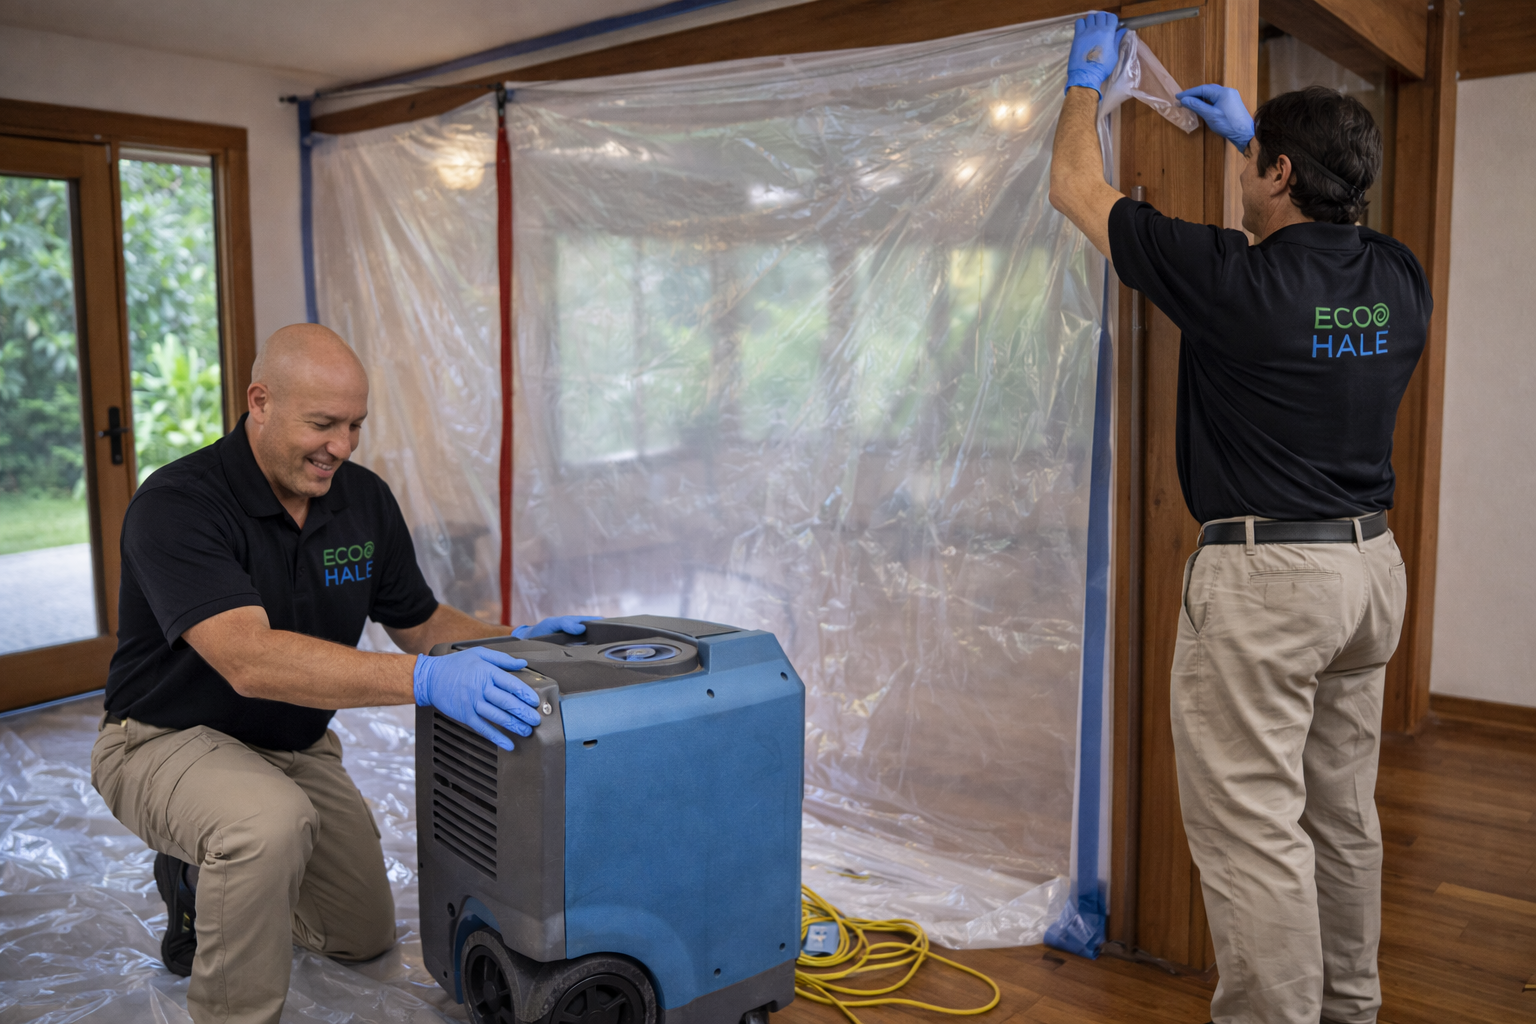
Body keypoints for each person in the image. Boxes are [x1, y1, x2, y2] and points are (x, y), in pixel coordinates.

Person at [1048, 13, 1428, 1024]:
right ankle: (1349, 1009)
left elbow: (1075, 188)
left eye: (1258, 161)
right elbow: (1332, 241)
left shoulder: (1236, 280)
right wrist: (1256, 137)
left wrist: (1083, 85)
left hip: (1271, 589)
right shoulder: (1399, 278)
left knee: (1254, 831)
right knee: (1340, 815)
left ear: (1279, 174)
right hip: (1369, 575)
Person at [91, 323, 591, 1024]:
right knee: (266, 826)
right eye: (322, 424)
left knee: (361, 934)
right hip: (164, 736)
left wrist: (520, 642)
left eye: (355, 425)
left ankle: (208, 883)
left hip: (291, 744)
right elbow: (248, 659)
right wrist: (422, 682)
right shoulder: (178, 504)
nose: (342, 446)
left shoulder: (362, 499)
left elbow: (419, 621)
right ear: (259, 402)